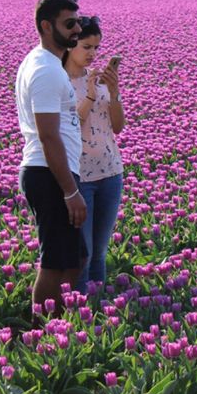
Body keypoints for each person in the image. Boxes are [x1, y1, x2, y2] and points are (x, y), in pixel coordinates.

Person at [15, 0, 86, 318]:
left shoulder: (45, 63)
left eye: (77, 21)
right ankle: (40, 331)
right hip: (49, 173)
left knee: (75, 257)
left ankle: (61, 324)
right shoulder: (46, 70)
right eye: (68, 23)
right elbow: (48, 135)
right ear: (46, 26)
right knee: (56, 260)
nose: (77, 29)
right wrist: (70, 190)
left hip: (54, 171)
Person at [62, 16, 125, 294]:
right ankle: (80, 309)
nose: (93, 54)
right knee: (82, 254)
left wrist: (113, 92)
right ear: (70, 44)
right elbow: (69, 128)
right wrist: (88, 96)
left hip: (111, 172)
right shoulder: (59, 82)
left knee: (99, 252)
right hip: (80, 177)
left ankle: (98, 311)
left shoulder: (99, 80)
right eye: (87, 47)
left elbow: (118, 126)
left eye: (97, 48)